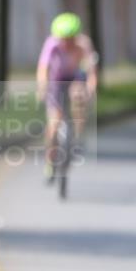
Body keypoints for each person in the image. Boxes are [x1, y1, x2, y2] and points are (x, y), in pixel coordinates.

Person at [36, 12, 98, 182]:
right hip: (56, 80)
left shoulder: (84, 44)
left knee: (79, 96)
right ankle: (50, 160)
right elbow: (43, 69)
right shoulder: (51, 44)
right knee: (54, 123)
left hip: (74, 78)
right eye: (63, 38)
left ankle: (77, 136)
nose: (66, 42)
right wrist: (42, 87)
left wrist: (91, 89)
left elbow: (91, 71)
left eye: (70, 38)